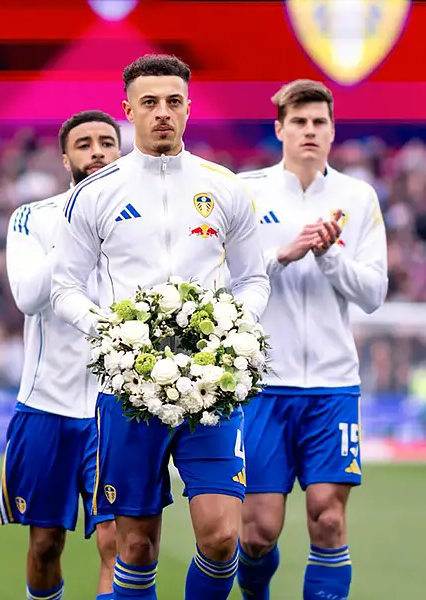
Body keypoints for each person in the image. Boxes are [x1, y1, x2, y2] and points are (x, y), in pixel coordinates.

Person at [50, 54, 270, 599]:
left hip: (211, 387)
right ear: (128, 110)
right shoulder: (94, 193)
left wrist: (233, 331)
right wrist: (112, 334)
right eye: (149, 102)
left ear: (189, 108)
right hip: (127, 390)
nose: (162, 113)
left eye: (174, 102)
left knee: (222, 538)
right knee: (136, 546)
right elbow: (64, 288)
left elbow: (253, 279)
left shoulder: (224, 187)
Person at [235, 80, 388, 600]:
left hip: (332, 384)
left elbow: (373, 293)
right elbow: (225, 283)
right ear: (279, 129)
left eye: (319, 122)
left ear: (332, 130)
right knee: (258, 532)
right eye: (298, 122)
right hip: (263, 385)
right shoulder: (247, 193)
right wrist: (282, 255)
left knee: (328, 518)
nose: (309, 131)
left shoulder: (358, 197)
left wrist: (329, 256)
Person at [0, 109, 122, 600]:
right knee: (46, 544)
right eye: (84, 144)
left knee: (118, 539)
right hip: (46, 403)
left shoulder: (142, 221)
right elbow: (28, 297)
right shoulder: (32, 217)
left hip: (115, 404)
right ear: (66, 158)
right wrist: (76, 230)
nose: (97, 152)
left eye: (107, 142)